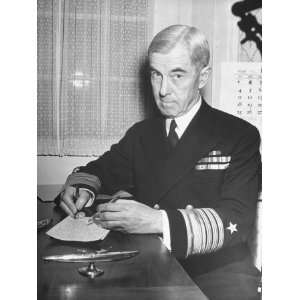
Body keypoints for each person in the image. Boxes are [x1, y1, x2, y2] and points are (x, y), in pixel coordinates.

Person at [58, 25, 261, 300]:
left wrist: (156, 221)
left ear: (202, 77)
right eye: (157, 75)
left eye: (177, 75)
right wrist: (81, 186)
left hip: (218, 276)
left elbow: (237, 221)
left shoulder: (238, 135)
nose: (164, 90)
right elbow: (102, 170)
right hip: (151, 265)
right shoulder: (142, 134)